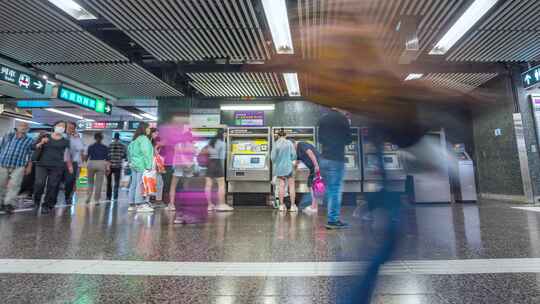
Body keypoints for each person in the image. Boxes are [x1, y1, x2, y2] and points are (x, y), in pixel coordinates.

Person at [318, 108, 352, 229]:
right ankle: (333, 220)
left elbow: (320, 139)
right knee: (335, 190)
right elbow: (348, 140)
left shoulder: (323, 118)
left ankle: (328, 214)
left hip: (323, 159)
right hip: (336, 159)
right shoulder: (343, 119)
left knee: (329, 189)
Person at [33, 121, 73, 214]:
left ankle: (47, 205)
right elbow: (32, 147)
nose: (61, 127)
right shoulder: (45, 136)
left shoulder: (66, 141)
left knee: (52, 186)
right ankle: (36, 202)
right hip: (41, 164)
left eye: (63, 126)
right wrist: (41, 143)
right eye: (59, 125)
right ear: (54, 126)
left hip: (57, 166)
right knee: (39, 183)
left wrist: (70, 166)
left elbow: (69, 154)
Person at [0, 123, 34, 214]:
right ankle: (0, 202)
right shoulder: (8, 137)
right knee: (1, 184)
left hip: (19, 165)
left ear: (28, 129)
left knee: (14, 185)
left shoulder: (30, 140)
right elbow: (1, 148)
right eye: (21, 126)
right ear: (17, 127)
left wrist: (29, 167)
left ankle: (9, 204)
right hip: (3, 163)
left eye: (25, 127)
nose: (23, 128)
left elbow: (31, 155)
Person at [127, 122, 154, 213]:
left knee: (133, 184)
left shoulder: (134, 140)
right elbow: (147, 153)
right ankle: (140, 204)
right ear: (144, 128)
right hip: (142, 165)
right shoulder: (144, 139)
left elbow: (129, 153)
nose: (149, 130)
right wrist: (149, 166)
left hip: (134, 165)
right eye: (148, 128)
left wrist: (131, 162)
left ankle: (131, 204)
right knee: (140, 184)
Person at [205, 129, 233, 212]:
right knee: (221, 185)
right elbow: (222, 158)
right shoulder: (222, 144)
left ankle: (209, 205)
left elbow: (207, 153)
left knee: (208, 185)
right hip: (217, 163)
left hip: (210, 164)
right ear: (223, 134)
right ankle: (222, 204)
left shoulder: (210, 142)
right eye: (225, 134)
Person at [270, 129, 297, 212]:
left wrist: (278, 161)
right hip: (289, 167)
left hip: (280, 168)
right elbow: (294, 156)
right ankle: (292, 206)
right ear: (285, 135)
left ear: (278, 135)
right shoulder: (289, 143)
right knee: (291, 186)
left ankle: (281, 206)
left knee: (281, 186)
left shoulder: (276, 144)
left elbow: (272, 158)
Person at [292, 140, 321, 215]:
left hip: (318, 165)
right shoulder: (297, 150)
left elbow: (310, 153)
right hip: (313, 168)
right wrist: (293, 173)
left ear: (294, 143)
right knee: (310, 184)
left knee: (314, 185)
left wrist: (316, 165)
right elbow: (296, 162)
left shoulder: (301, 144)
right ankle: (314, 206)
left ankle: (314, 207)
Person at [85, 132, 109, 204]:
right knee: (99, 183)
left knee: (90, 182)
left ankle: (88, 197)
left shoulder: (90, 146)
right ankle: (97, 200)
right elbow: (107, 159)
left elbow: (87, 157)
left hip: (91, 163)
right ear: (102, 138)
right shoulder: (105, 147)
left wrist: (86, 163)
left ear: (95, 138)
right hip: (101, 163)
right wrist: (107, 168)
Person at [63, 121, 84, 206]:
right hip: (61, 162)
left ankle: (69, 197)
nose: (70, 129)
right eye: (68, 128)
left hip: (74, 163)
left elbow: (81, 150)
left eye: (72, 128)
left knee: (71, 181)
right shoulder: (62, 136)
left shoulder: (77, 138)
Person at [107, 132, 126, 202]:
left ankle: (108, 196)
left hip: (110, 166)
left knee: (109, 182)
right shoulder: (122, 146)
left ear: (114, 138)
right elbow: (124, 155)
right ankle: (115, 197)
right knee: (116, 182)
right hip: (118, 166)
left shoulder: (109, 145)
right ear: (119, 138)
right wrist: (120, 156)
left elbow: (107, 156)